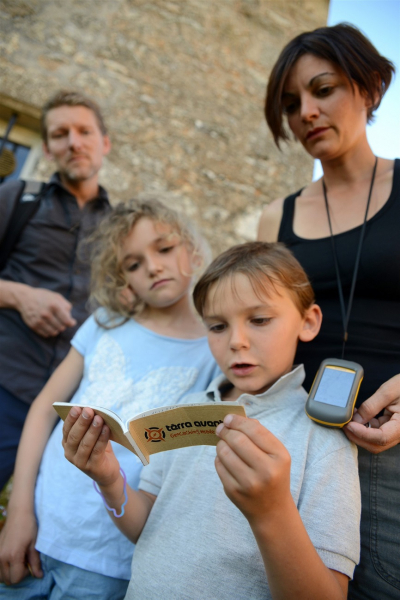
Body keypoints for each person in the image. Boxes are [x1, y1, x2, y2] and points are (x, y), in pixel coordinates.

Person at [60, 241, 361, 600]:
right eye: (217, 326)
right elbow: (144, 526)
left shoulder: (324, 439)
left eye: (260, 320)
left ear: (308, 321)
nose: (237, 341)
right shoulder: (186, 408)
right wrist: (108, 477)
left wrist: (271, 511)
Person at [0, 199, 219, 599]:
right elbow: (42, 410)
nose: (152, 267)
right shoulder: (105, 323)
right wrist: (19, 512)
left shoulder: (214, 353)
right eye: (133, 264)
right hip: (37, 533)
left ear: (193, 248)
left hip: (108, 559)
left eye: (164, 248)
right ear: (123, 279)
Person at [258, 23, 400, 600]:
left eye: (324, 89)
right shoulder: (276, 217)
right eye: (292, 104)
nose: (307, 113)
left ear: (367, 88)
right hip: (299, 444)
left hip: (391, 448)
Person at [0, 90, 112, 490]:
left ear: (105, 143)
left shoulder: (123, 229)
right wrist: (19, 296)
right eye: (61, 134)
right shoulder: (16, 198)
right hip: (6, 385)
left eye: (84, 131)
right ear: (47, 148)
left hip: (76, 411)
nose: (74, 142)